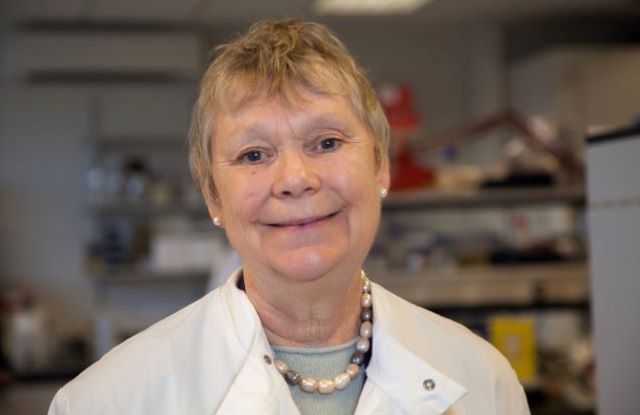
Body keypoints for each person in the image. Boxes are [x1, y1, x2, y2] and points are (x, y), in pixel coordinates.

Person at [49, 19, 530, 414]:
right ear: (213, 195)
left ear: (380, 164)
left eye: (327, 142)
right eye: (254, 154)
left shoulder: (481, 380)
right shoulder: (107, 401)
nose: (295, 179)